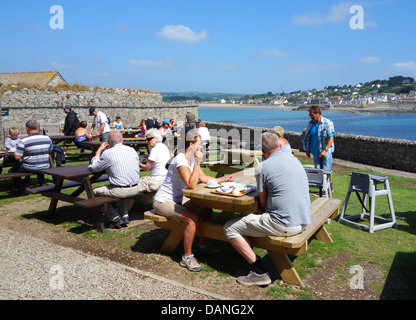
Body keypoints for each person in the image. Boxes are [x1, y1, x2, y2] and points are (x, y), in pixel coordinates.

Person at [224, 132, 311, 286]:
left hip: (285, 224)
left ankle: (258, 271)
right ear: (279, 145)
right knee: (250, 220)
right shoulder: (295, 160)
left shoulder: (263, 167)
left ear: (262, 151)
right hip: (303, 220)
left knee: (230, 227)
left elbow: (262, 203)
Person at [153, 129, 234, 272]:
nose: (202, 147)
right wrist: (197, 163)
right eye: (199, 144)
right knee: (192, 220)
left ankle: (202, 246)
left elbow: (202, 178)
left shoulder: (189, 158)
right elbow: (191, 184)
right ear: (191, 144)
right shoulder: (180, 160)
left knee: (207, 208)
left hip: (178, 200)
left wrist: (222, 180)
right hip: (163, 202)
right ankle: (187, 257)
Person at [89, 131, 141, 228]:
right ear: (123, 140)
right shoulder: (132, 150)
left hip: (121, 190)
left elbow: (94, 167)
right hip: (136, 188)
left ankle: (114, 217)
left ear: (108, 142)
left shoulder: (108, 153)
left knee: (93, 192)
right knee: (120, 186)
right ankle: (125, 216)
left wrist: (99, 150)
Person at [11, 120, 53, 192]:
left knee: (11, 171)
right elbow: (50, 150)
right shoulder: (47, 138)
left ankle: (24, 188)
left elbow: (17, 157)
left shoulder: (24, 141)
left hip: (30, 167)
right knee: (37, 164)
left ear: (27, 129)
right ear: (37, 127)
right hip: (45, 165)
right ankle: (41, 183)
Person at [303, 105, 335, 191]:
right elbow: (308, 137)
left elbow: (331, 138)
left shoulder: (328, 123)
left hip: (326, 152)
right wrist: (307, 149)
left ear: (317, 113)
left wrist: (325, 150)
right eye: (310, 115)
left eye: (311, 114)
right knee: (318, 171)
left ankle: (325, 190)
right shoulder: (310, 124)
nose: (310, 116)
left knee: (326, 171)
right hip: (315, 151)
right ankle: (325, 188)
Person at [138, 129, 171, 204]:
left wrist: (138, 163)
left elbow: (147, 168)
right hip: (166, 177)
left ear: (156, 139)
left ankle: (149, 204)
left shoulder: (155, 150)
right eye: (146, 139)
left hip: (157, 180)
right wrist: (148, 156)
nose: (147, 141)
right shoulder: (164, 146)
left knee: (134, 186)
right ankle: (149, 203)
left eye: (149, 139)